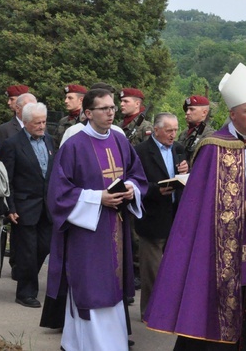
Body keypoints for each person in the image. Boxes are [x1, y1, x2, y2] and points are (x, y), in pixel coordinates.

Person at [146, 63, 246, 351]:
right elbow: (199, 206)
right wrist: (240, 208)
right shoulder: (213, 146)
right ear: (232, 114)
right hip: (223, 251)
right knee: (217, 318)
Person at [46, 88, 148, 351]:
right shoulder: (74, 145)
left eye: (113, 107)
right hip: (87, 233)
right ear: (88, 113)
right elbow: (58, 194)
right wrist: (96, 199)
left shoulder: (120, 140)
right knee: (90, 286)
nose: (111, 112)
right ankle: (85, 344)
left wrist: (131, 189)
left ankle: (113, 344)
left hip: (115, 227)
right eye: (104, 108)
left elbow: (137, 175)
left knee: (113, 285)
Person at [0, 102, 55, 309]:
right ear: (25, 122)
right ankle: (25, 292)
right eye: (37, 123)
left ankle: (26, 276)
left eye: (44, 122)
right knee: (27, 251)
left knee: (45, 246)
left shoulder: (49, 141)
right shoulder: (12, 144)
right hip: (24, 207)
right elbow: (8, 180)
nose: (42, 126)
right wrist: (10, 207)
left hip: (46, 206)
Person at [133, 112, 187, 320]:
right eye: (169, 130)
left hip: (175, 216)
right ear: (156, 130)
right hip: (152, 218)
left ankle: (171, 309)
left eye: (175, 130)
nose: (173, 135)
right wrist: (155, 190)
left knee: (173, 268)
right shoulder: (141, 152)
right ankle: (150, 312)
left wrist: (185, 170)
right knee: (152, 271)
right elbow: (135, 184)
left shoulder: (179, 149)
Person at [176, 95, 214, 164]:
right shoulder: (185, 132)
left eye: (192, 109)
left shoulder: (210, 136)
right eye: (187, 109)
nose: (187, 112)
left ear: (204, 112)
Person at [54, 84, 87, 148]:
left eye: (70, 98)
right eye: (66, 98)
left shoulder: (88, 120)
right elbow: (55, 144)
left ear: (81, 100)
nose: (66, 101)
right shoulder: (63, 121)